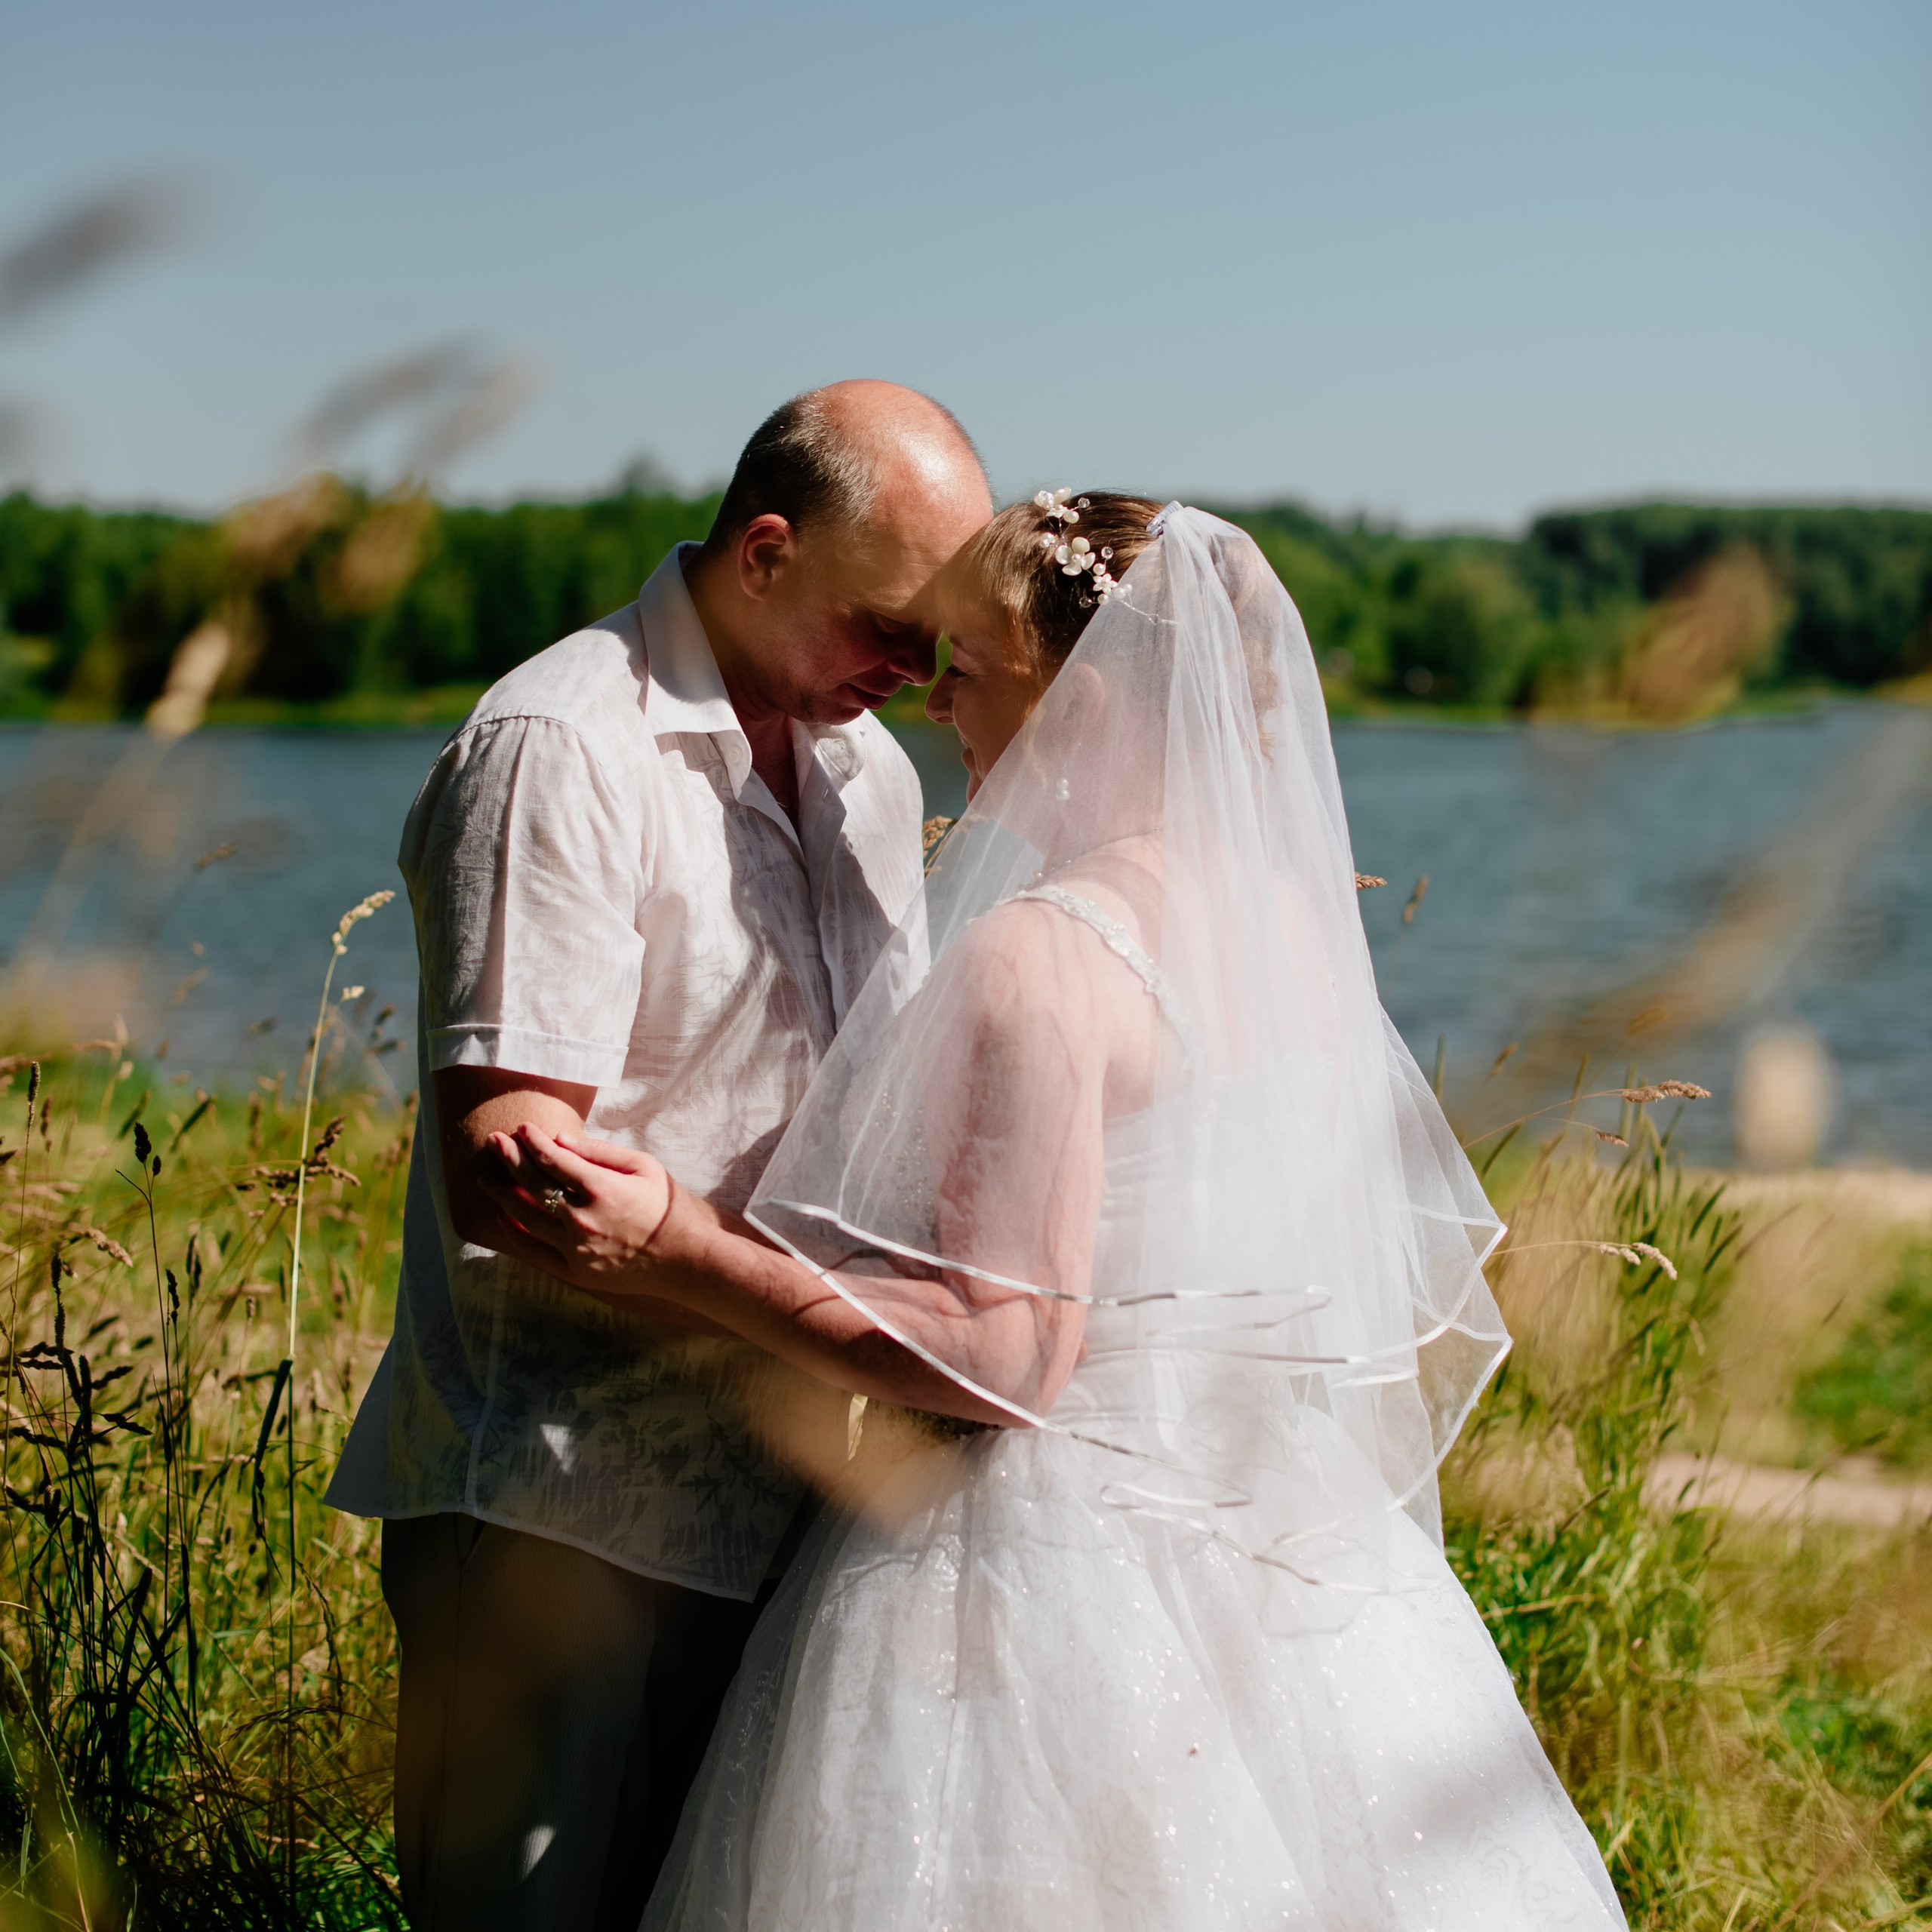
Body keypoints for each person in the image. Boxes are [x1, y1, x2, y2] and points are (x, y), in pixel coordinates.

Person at [486, 499, 1629, 1927]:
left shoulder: (1044, 951)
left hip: (1052, 1564)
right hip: (1294, 1533)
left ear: (1081, 692)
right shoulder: (1288, 927)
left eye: (970, 663)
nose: (939, 700)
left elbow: (1009, 1353)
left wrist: (679, 1248)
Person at [323, 380, 994, 1932]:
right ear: (763, 552)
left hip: (790, 1491)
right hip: (560, 1509)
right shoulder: (562, 744)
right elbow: (509, 1170)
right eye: (887, 625)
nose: (913, 671)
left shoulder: (867, 776)